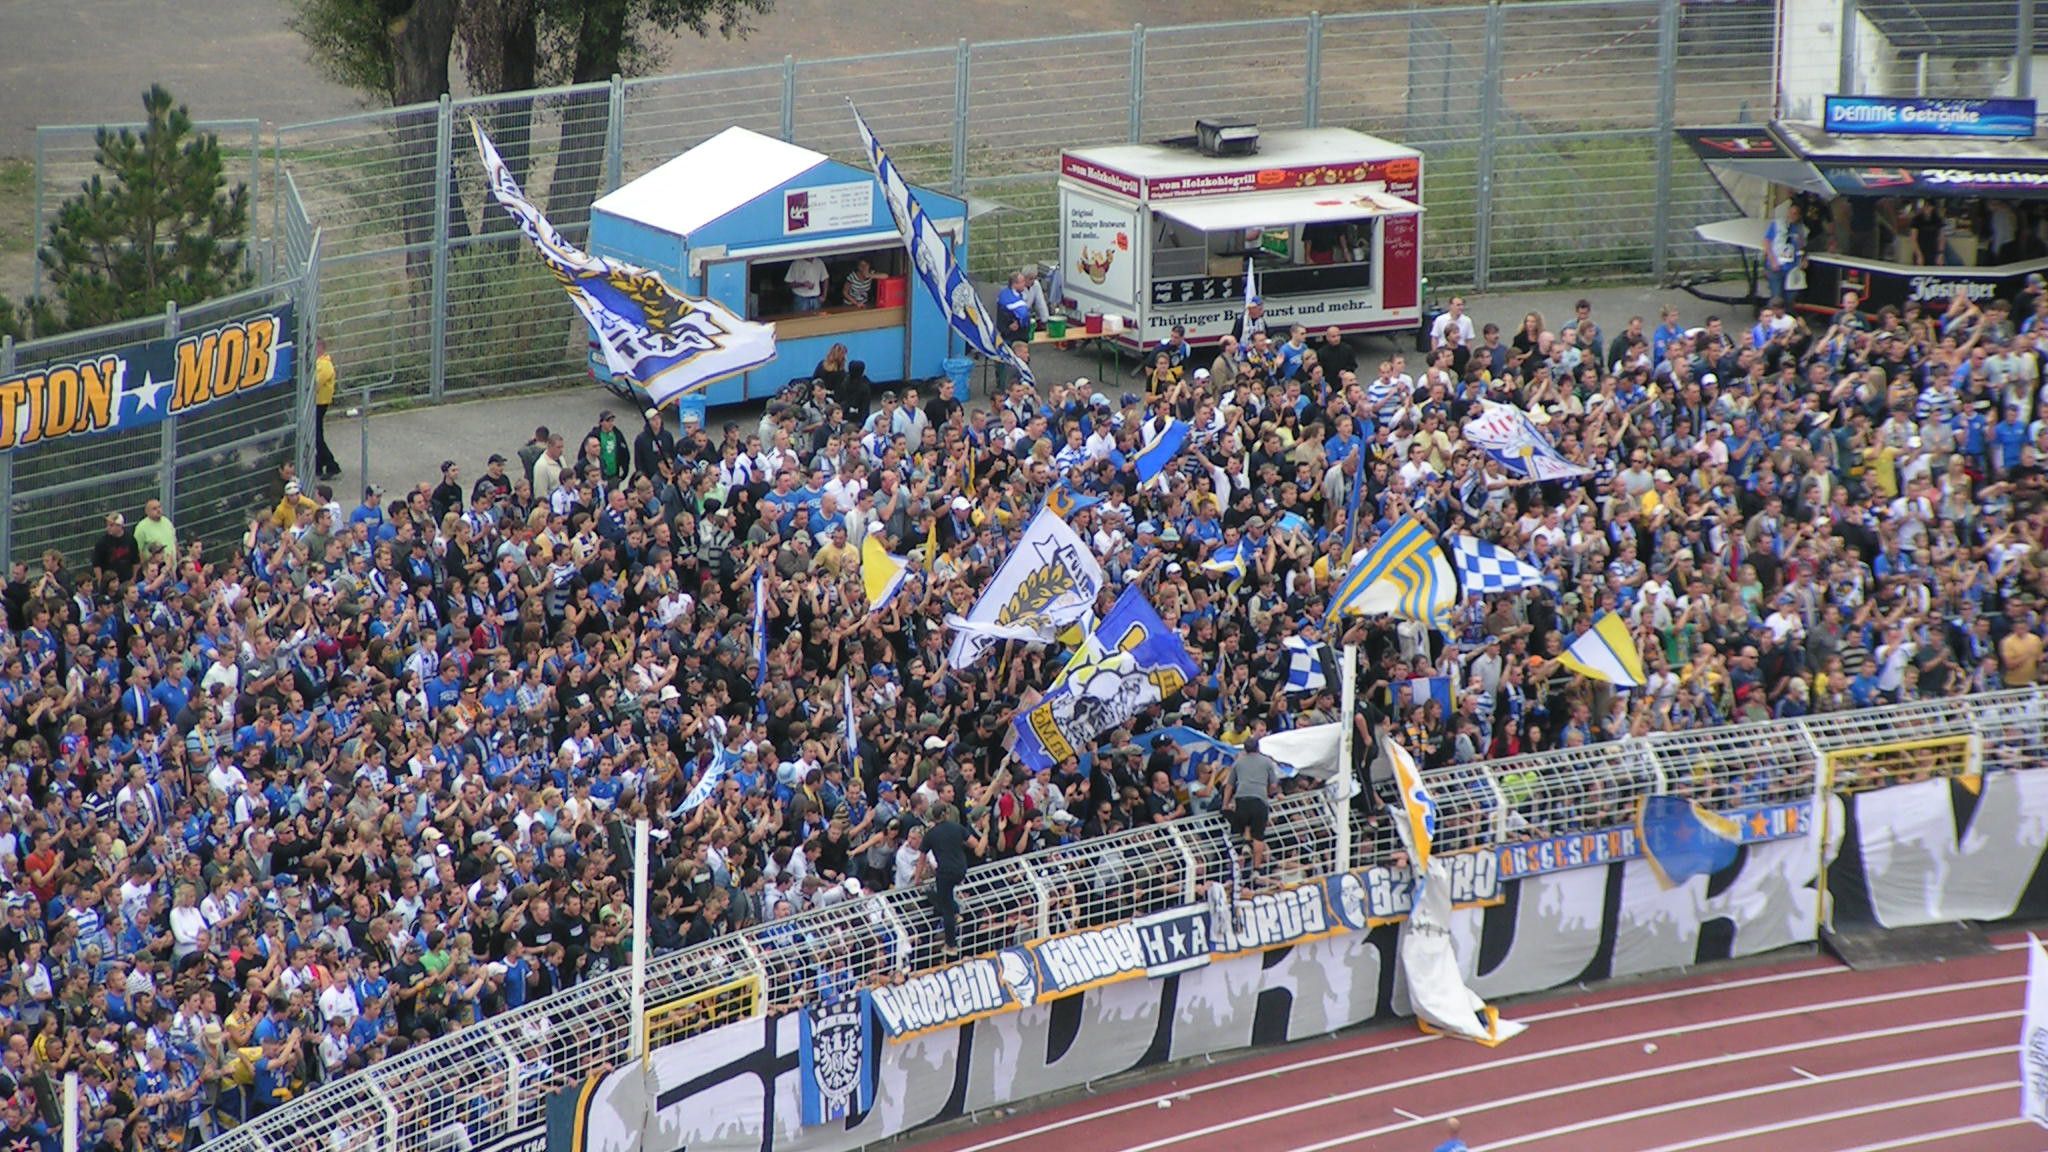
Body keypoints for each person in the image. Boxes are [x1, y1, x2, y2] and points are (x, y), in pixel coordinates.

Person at [921, 802, 988, 958]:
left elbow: (921, 859)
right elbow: (976, 846)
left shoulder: (930, 834)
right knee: (946, 899)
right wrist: (985, 832)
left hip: (944, 873)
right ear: (946, 814)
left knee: (946, 908)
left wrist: (918, 878)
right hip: (960, 870)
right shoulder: (957, 828)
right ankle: (956, 911)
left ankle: (951, 944)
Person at [1223, 726, 1279, 874]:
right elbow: (1273, 785)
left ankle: (1246, 844)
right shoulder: (1267, 762)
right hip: (1259, 799)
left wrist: (1225, 803)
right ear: (1258, 748)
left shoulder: (1238, 763)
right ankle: (1257, 869)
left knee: (1247, 823)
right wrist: (1267, 793)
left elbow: (1229, 785)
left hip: (1242, 798)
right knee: (1259, 835)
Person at [313, 338, 341, 480]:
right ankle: (319, 464)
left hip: (319, 403)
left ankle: (331, 464)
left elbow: (315, 384)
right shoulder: (320, 363)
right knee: (316, 435)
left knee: (317, 436)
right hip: (318, 403)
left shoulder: (324, 365)